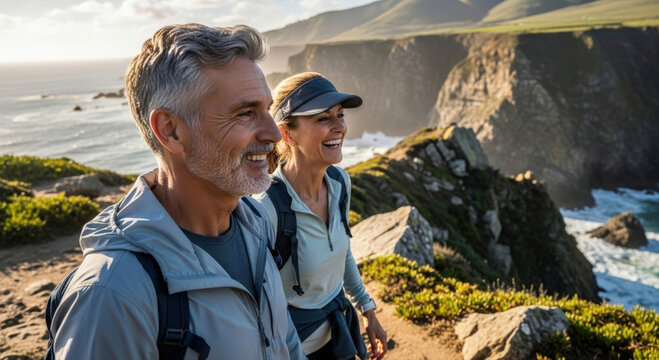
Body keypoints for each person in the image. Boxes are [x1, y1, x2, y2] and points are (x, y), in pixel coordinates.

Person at [48, 23, 305, 359]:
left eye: (267, 109)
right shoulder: (112, 293)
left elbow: (284, 341)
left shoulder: (254, 222)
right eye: (245, 113)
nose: (274, 132)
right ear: (170, 131)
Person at [253, 72, 387, 360]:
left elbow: (341, 250)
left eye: (340, 115)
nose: (339, 127)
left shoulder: (340, 182)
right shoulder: (267, 209)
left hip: (339, 338)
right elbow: (258, 306)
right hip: (296, 350)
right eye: (323, 119)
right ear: (287, 133)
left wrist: (367, 308)